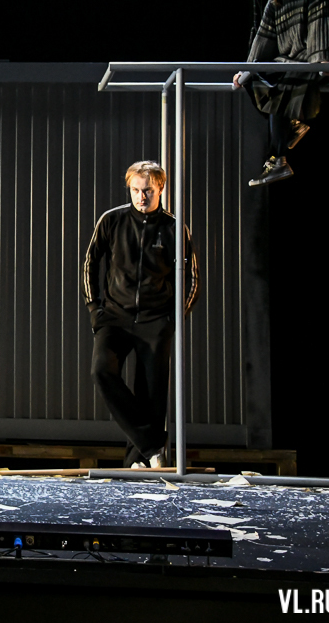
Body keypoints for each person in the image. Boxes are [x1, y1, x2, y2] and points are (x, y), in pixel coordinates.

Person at [82, 161, 197, 469]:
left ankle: (138, 463)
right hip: (115, 317)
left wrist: (174, 319)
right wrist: (94, 309)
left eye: (147, 191)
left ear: (160, 189)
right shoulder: (112, 220)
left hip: (155, 320)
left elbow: (193, 278)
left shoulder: (174, 228)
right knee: (102, 371)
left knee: (151, 396)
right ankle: (153, 445)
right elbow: (90, 263)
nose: (141, 197)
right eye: (135, 190)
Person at [235, 0, 329, 186]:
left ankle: (278, 159)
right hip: (288, 60)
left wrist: (320, 58)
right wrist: (247, 68)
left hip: (311, 57)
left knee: (282, 89)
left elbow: (320, 20)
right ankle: (293, 126)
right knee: (253, 80)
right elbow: (264, 35)